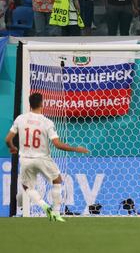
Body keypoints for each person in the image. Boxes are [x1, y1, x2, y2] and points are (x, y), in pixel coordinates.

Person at [4, 93, 89, 222]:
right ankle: (56, 212)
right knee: (57, 181)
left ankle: (43, 205)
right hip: (43, 159)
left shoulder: (20, 119)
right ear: (42, 104)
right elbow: (57, 144)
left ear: (30, 104)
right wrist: (76, 149)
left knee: (27, 187)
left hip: (25, 159)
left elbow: (8, 139)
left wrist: (12, 147)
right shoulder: (47, 122)